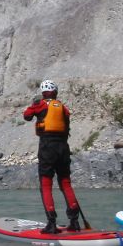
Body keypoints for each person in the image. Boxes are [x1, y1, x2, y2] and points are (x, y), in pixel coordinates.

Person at [22, 80, 84, 233]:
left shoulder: (40, 104)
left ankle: (51, 223)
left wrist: (34, 104)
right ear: (56, 92)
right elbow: (67, 123)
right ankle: (74, 222)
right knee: (65, 183)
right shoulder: (63, 107)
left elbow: (27, 116)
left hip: (47, 147)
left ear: (43, 92)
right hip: (63, 147)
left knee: (46, 184)